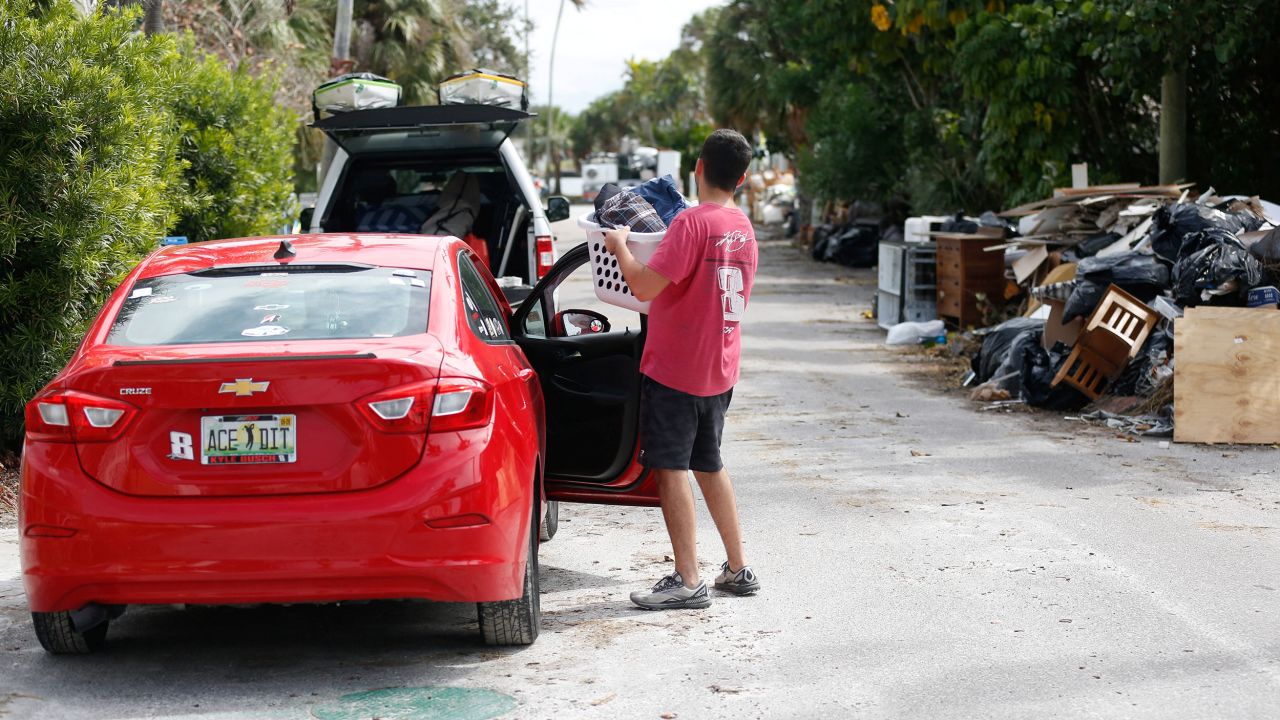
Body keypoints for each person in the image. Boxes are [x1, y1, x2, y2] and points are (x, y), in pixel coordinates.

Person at [602, 129, 761, 610]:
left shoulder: (691, 224)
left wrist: (620, 246)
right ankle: (737, 568)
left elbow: (645, 287)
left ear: (698, 167)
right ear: (744, 178)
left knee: (670, 469)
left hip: (676, 370)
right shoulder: (743, 227)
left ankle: (687, 579)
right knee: (709, 464)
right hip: (719, 369)